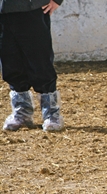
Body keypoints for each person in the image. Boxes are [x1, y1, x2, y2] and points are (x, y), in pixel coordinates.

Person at [0, 0, 64, 131]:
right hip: (2, 11)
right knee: (10, 62)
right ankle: (22, 112)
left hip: (32, 8)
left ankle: (51, 114)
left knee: (40, 61)